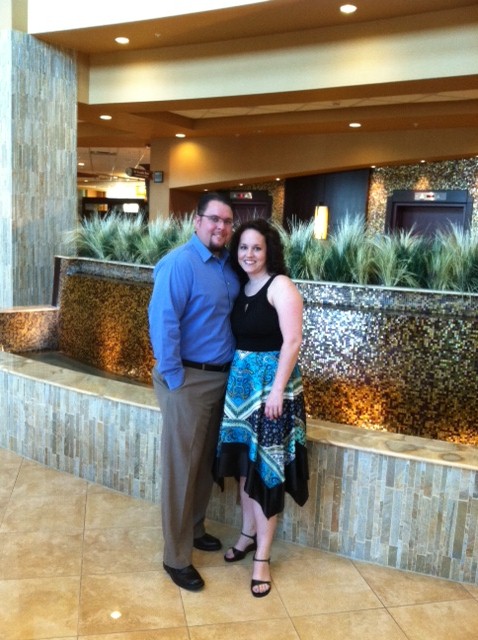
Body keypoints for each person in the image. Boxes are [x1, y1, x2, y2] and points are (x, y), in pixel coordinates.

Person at [148, 192, 240, 591]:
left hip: (221, 378)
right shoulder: (179, 263)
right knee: (181, 468)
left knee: (203, 464)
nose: (221, 226)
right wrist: (175, 378)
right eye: (214, 219)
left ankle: (196, 527)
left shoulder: (227, 265)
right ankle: (176, 557)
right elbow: (163, 321)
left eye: (227, 221)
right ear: (197, 221)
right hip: (188, 379)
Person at [214, 218, 309, 598]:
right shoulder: (243, 287)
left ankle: (263, 558)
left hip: (271, 393)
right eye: (243, 247)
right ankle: (246, 534)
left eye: (256, 247)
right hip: (242, 393)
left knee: (266, 473)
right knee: (244, 469)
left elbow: (293, 341)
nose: (249, 254)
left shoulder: (280, 286)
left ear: (269, 251)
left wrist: (277, 392)